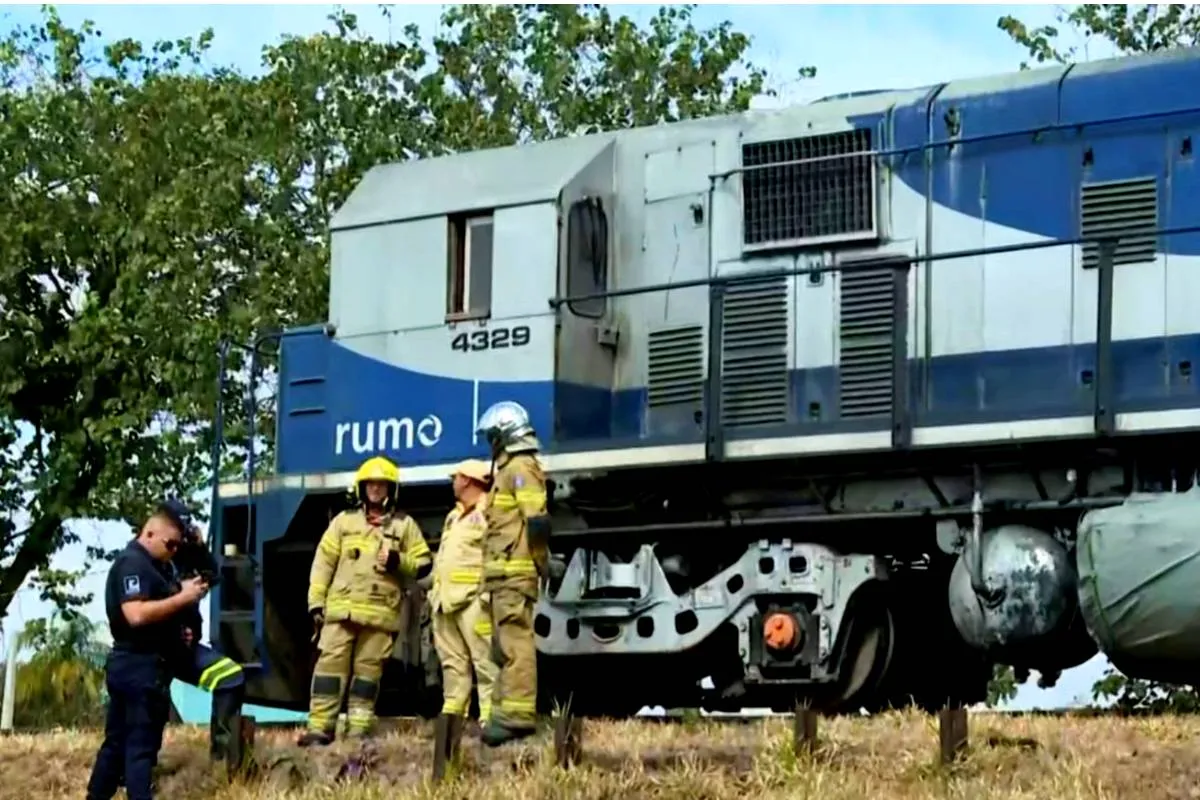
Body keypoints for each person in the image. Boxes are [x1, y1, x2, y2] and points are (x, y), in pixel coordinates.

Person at [299, 455, 434, 746]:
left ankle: (357, 733)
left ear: (391, 489)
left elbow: (424, 564)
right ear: (362, 488)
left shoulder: (405, 526)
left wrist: (398, 560)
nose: (375, 489)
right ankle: (320, 729)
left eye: (381, 484)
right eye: (370, 484)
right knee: (328, 671)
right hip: (341, 613)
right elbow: (323, 563)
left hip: (379, 617)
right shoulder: (343, 522)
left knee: (367, 677)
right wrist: (316, 602)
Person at [86, 505, 210, 800]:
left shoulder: (159, 567)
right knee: (139, 747)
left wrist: (180, 629)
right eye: (170, 544)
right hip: (138, 665)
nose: (174, 551)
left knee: (117, 744)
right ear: (150, 533)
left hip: (141, 665)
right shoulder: (133, 563)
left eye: (178, 545)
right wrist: (183, 598)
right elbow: (137, 614)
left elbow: (162, 610)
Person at [474, 401, 551, 747]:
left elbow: (537, 521)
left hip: (514, 575)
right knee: (503, 646)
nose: (489, 443)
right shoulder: (507, 471)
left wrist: (541, 563)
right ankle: (504, 713)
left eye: (491, 436)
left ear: (502, 435)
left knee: (516, 643)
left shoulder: (521, 467)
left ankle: (517, 716)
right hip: (502, 577)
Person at [158, 498, 247, 768]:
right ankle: (136, 768)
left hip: (186, 649)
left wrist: (199, 547)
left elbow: (214, 576)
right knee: (150, 706)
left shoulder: (187, 554)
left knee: (230, 677)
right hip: (155, 650)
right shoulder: (146, 558)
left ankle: (221, 756)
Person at [430, 459, 499, 728]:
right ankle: (452, 721)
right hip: (446, 602)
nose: (453, 483)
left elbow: (495, 555)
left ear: (468, 480)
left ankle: (491, 721)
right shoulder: (454, 516)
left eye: (456, 478)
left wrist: (487, 596)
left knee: (485, 662)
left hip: (473, 602)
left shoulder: (488, 512)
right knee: (452, 664)